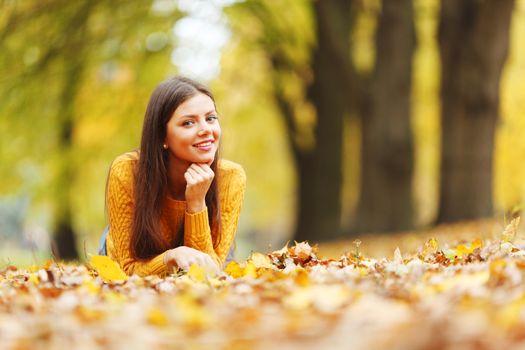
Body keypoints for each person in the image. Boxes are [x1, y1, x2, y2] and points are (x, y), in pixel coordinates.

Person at [98, 76, 246, 277]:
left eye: (210, 118)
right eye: (188, 123)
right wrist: (169, 257)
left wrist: (196, 203)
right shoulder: (127, 171)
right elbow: (128, 270)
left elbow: (207, 272)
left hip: (208, 253)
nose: (206, 130)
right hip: (132, 259)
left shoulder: (231, 177)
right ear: (162, 137)